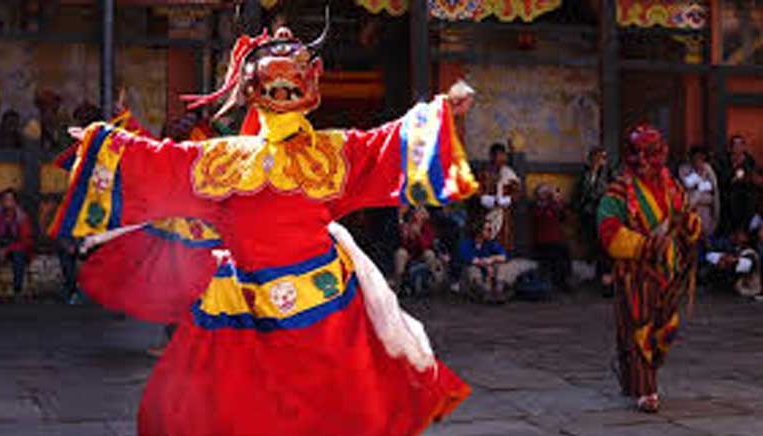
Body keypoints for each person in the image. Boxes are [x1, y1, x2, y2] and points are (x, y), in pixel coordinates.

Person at [50, 23, 477, 436]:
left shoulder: (332, 152)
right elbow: (162, 163)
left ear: (309, 87)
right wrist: (103, 142)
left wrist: (440, 109)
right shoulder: (223, 158)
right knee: (223, 412)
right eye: (272, 85)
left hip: (319, 308)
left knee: (331, 411)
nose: (281, 93)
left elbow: (389, 143)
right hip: (242, 307)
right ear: (253, 89)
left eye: (290, 84)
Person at [597, 123, 701, 413]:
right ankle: (646, 390)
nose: (642, 161)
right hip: (635, 276)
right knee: (639, 332)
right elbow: (608, 231)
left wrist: (691, 226)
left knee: (665, 329)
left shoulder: (672, 187)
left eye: (649, 153)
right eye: (636, 154)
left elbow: (688, 221)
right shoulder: (618, 191)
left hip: (667, 273)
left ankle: (635, 380)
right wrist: (643, 245)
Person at [575, 146, 614, 295]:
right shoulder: (585, 174)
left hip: (604, 214)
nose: (598, 161)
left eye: (601, 158)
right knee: (593, 247)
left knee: (605, 248)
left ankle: (607, 281)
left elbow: (612, 191)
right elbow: (580, 193)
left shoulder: (609, 174)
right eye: (595, 158)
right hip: (589, 214)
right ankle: (598, 277)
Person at [0, 188, 33, 298]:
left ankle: (17, 289)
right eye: (5, 199)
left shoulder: (22, 217)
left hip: (15, 247)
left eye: (10, 199)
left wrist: (8, 249)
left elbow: (25, 240)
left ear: (15, 201)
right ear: (1, 201)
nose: (8, 202)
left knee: (19, 256)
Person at [394, 206, 447, 295]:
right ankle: (399, 283)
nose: (418, 215)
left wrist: (418, 235)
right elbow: (404, 244)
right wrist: (407, 235)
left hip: (422, 252)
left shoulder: (428, 227)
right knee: (400, 253)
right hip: (409, 252)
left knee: (429, 254)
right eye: (417, 212)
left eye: (421, 213)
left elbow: (426, 245)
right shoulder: (408, 224)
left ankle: (433, 281)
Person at [456, 219, 509, 303]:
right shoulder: (466, 244)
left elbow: (504, 256)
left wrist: (492, 259)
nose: (490, 232)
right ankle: (484, 292)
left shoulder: (490, 243)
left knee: (499, 266)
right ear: (479, 231)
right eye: (487, 229)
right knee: (473, 269)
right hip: (470, 280)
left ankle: (498, 292)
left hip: (487, 275)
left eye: (490, 229)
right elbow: (473, 260)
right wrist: (486, 265)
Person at [479, 142, 520, 249]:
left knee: (503, 236)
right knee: (487, 233)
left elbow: (517, 193)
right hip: (487, 211)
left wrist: (505, 200)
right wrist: (490, 201)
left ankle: (502, 256)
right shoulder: (484, 172)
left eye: (503, 155)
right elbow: (478, 192)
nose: (501, 158)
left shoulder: (508, 172)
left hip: (504, 212)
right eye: (498, 155)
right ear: (491, 155)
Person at [531, 183, 571, 293]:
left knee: (564, 252)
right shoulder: (537, 206)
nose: (545, 195)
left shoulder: (554, 205)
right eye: (543, 193)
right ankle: (558, 283)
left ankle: (564, 281)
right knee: (555, 254)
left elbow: (564, 217)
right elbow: (541, 217)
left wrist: (559, 203)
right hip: (543, 242)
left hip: (556, 241)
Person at [679, 145, 720, 240]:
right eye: (696, 157)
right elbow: (688, 185)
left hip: (706, 210)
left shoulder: (708, 169)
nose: (698, 160)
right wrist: (698, 176)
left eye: (701, 157)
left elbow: (712, 188)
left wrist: (700, 187)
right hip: (692, 209)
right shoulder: (684, 169)